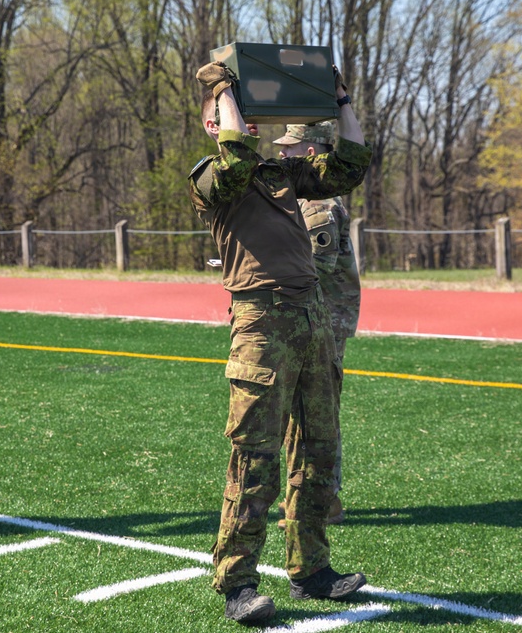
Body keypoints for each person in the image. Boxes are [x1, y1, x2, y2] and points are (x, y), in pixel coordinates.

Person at [189, 61, 370, 624]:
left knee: (318, 451)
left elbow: (350, 165)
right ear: (215, 125)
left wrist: (339, 98)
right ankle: (237, 582)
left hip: (311, 317)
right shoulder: (210, 177)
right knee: (256, 459)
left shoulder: (281, 175)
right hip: (261, 325)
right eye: (227, 118)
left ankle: (310, 569)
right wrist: (222, 88)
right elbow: (236, 152)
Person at [274, 122, 362, 527]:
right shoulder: (307, 200)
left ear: (311, 153)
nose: (282, 155)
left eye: (290, 148)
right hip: (315, 318)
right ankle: (315, 498)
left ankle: (322, 501)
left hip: (322, 320)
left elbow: (315, 265)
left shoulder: (317, 205)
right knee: (306, 413)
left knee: (314, 414)